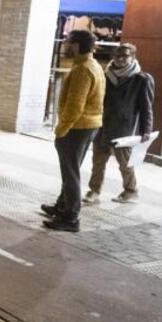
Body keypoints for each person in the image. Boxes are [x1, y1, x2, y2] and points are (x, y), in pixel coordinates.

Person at [41, 29, 104, 232]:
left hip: (78, 127)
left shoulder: (82, 70)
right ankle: (62, 206)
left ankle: (71, 218)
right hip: (88, 125)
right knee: (71, 170)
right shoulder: (92, 65)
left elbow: (75, 106)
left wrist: (62, 129)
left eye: (68, 43)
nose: (65, 46)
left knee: (70, 173)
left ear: (76, 46)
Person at [85, 43, 154, 205]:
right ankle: (94, 190)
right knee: (98, 162)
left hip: (124, 129)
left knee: (125, 164)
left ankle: (131, 191)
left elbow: (147, 107)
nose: (121, 59)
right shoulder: (105, 75)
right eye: (117, 55)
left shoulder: (141, 79)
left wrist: (146, 130)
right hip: (102, 126)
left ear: (133, 57)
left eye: (125, 56)